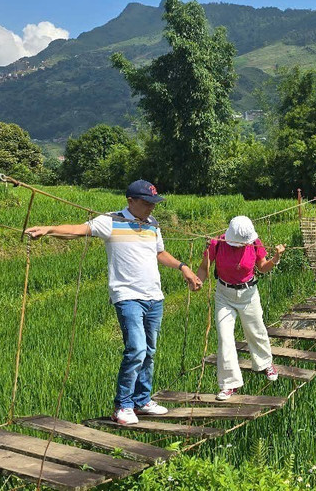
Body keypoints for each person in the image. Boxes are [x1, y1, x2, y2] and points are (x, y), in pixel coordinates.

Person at [25, 180, 202, 425]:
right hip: (127, 296)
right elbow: (78, 230)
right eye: (146, 203)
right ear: (131, 201)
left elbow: (159, 252)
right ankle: (123, 405)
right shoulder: (109, 220)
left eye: (154, 203)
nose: (151, 207)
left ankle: (142, 401)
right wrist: (49, 229)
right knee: (137, 349)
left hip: (154, 297)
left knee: (149, 352)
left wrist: (184, 268)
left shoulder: (153, 224)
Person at [196, 215, 285, 401]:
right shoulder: (216, 244)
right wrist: (198, 281)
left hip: (248, 293)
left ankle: (265, 363)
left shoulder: (255, 243)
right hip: (224, 294)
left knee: (256, 330)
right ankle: (229, 384)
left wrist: (276, 258)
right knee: (224, 337)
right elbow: (204, 268)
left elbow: (262, 267)